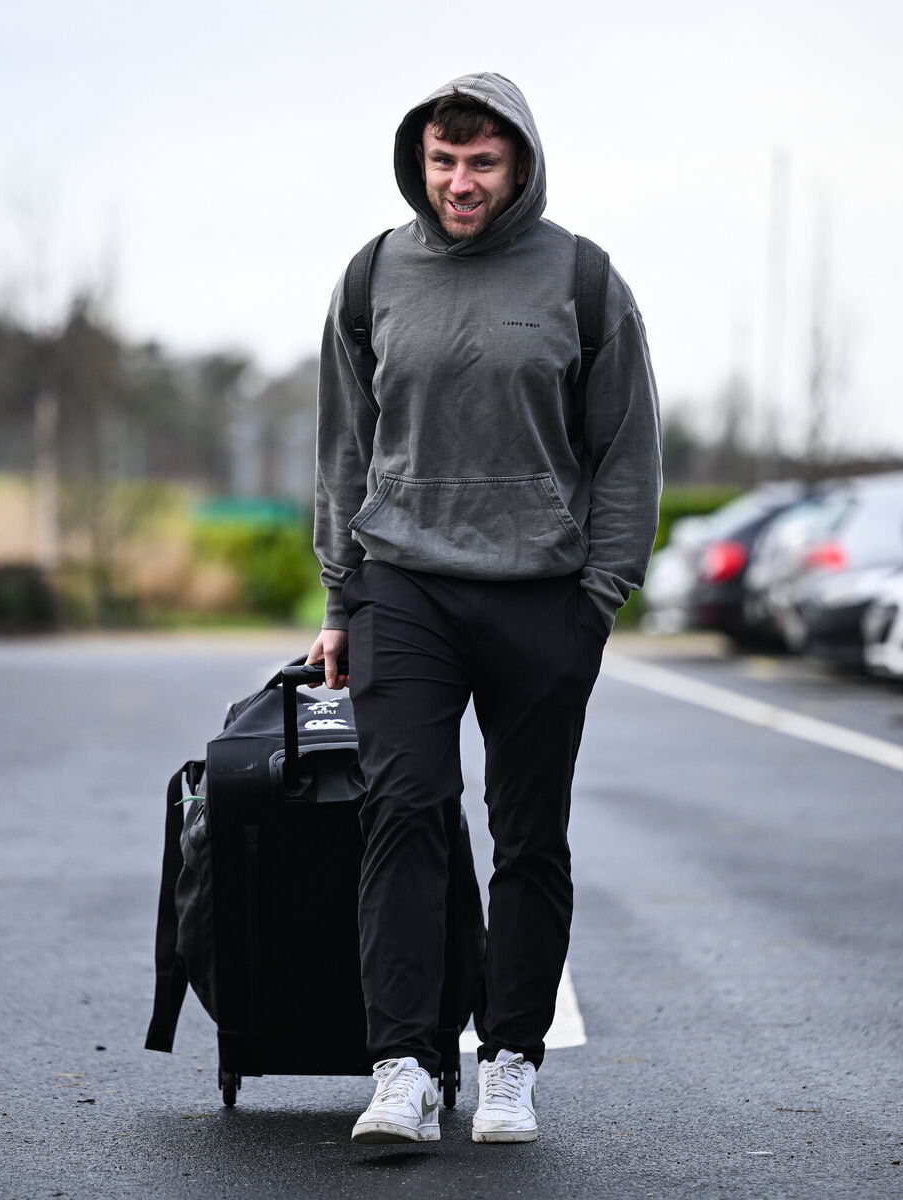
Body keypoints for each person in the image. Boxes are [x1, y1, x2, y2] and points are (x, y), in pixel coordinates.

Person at [307, 71, 661, 1145]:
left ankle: (508, 1059)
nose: (459, 182)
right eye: (442, 161)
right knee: (402, 810)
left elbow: (625, 451)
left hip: (541, 596)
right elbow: (344, 447)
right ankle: (405, 1067)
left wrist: (595, 599)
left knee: (527, 834)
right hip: (402, 585)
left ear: (519, 166)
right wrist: (340, 596)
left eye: (481, 163)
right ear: (420, 162)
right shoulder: (373, 275)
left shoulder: (584, 281)